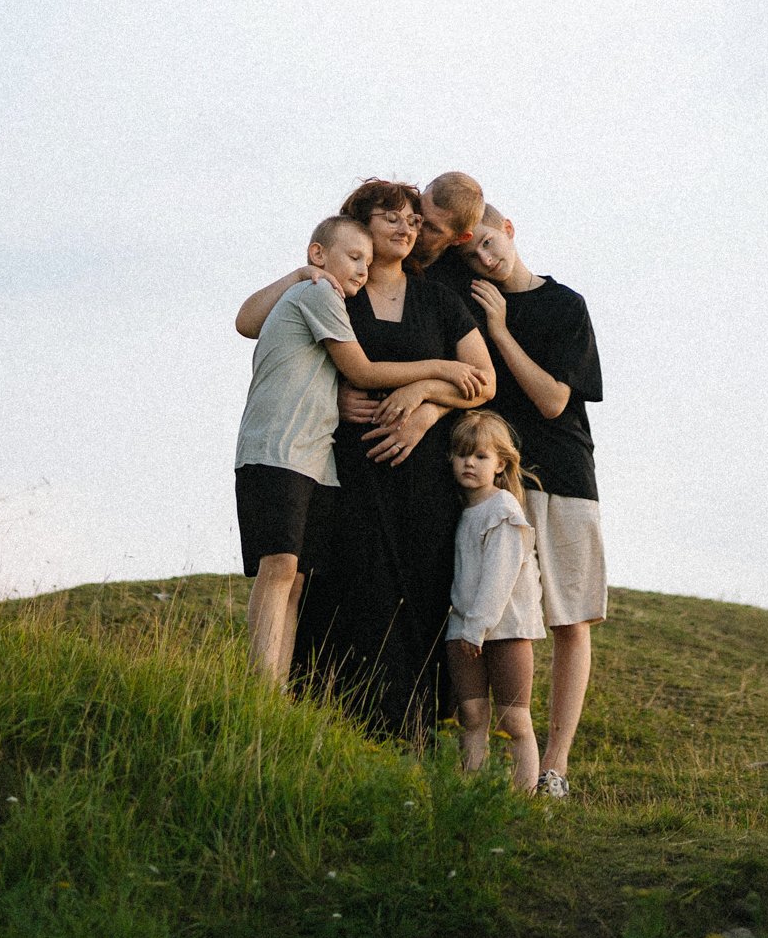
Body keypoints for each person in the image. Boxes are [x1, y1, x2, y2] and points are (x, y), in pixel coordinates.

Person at [236, 179, 496, 737]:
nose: (407, 229)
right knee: (341, 589)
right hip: (342, 466)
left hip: (423, 472)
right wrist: (305, 273)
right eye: (392, 219)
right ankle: (326, 726)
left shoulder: (439, 300)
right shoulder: (334, 290)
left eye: (414, 222)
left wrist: (424, 400)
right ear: (360, 227)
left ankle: (412, 735)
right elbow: (262, 330)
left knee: (419, 590)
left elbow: (483, 382)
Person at [466, 205, 605, 799]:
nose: (486, 259)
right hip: (498, 483)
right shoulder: (469, 301)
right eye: (472, 254)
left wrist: (501, 331)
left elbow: (553, 401)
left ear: (511, 230)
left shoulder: (564, 305)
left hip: (564, 477)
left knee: (570, 619)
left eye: (490, 243)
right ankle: (491, 758)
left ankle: (555, 768)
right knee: (499, 616)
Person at [446, 410, 544, 793]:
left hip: (506, 628)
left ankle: (526, 798)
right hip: (463, 629)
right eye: (462, 454)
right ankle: (473, 794)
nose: (469, 462)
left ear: (501, 463)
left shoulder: (502, 509)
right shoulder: (461, 510)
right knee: (471, 714)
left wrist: (477, 626)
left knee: (514, 718)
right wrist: (464, 629)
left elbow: (498, 578)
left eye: (481, 456)